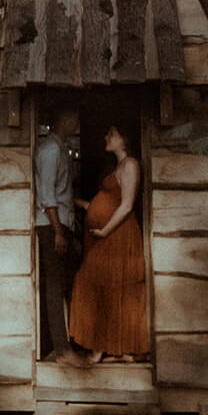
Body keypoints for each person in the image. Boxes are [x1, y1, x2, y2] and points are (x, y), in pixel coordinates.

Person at [69, 123, 149, 364]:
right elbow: (107, 202)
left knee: (96, 282)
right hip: (109, 236)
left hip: (118, 236)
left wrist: (104, 230)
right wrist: (76, 202)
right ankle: (111, 349)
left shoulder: (131, 164)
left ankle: (105, 349)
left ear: (123, 139)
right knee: (108, 287)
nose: (107, 137)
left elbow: (126, 205)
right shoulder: (119, 166)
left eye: (111, 133)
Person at [34, 105, 86, 366]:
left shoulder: (60, 147)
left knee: (65, 284)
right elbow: (47, 197)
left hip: (61, 224)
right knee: (55, 287)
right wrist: (57, 232)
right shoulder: (51, 150)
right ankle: (63, 352)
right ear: (64, 117)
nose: (77, 120)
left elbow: (61, 194)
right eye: (75, 115)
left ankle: (68, 346)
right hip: (51, 226)